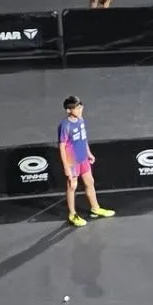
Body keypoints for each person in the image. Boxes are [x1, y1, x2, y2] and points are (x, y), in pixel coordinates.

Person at [56, 96, 115, 228]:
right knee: (72, 186)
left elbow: (84, 138)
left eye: (80, 107)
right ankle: (72, 214)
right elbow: (62, 146)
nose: (80, 110)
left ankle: (95, 208)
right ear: (68, 110)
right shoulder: (65, 126)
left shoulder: (81, 120)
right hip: (72, 160)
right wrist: (66, 166)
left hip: (83, 158)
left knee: (90, 182)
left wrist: (88, 153)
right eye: (77, 108)